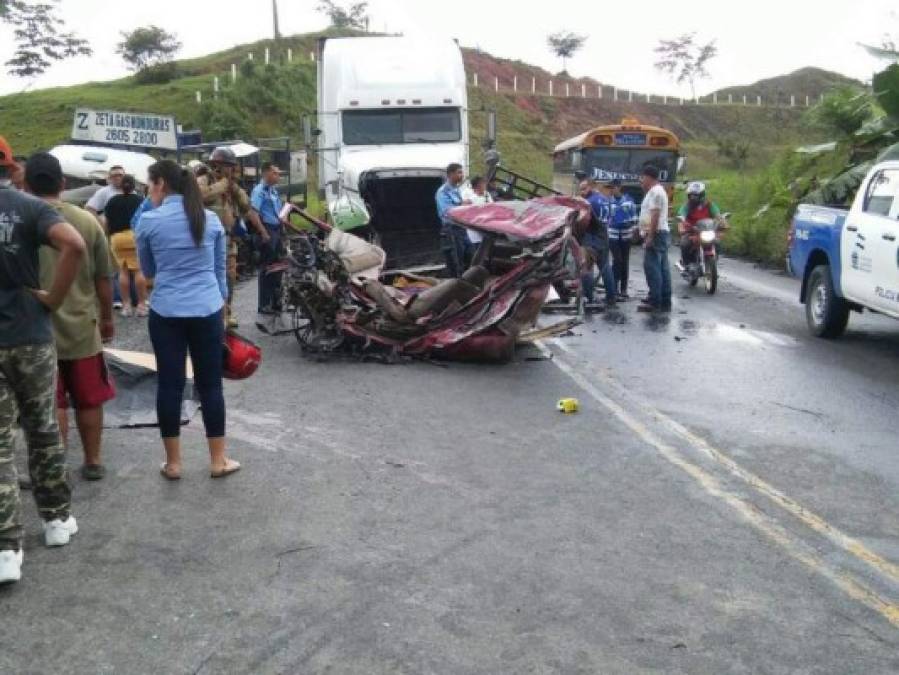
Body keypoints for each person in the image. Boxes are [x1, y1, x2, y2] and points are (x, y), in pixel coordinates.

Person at [0, 136, 86, 584]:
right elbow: (74, 245)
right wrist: (52, 298)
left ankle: (5, 549)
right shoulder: (28, 207)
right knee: (42, 428)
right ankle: (55, 522)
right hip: (30, 336)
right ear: (9, 164)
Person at [136, 159, 240, 480]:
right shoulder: (209, 221)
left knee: (170, 385)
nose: (148, 190)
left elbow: (150, 271)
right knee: (211, 385)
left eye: (149, 184)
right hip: (207, 309)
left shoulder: (148, 222)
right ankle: (218, 460)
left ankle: (174, 464)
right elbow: (219, 270)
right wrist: (222, 307)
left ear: (161, 185)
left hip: (166, 312)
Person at [29, 152, 116, 482]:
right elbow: (103, 278)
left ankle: (57, 467)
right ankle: (93, 461)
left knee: (54, 400)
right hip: (82, 325)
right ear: (63, 183)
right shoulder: (86, 221)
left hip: (36, 328)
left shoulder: (23, 219)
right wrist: (108, 318)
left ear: (27, 183)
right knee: (88, 397)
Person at [201, 147, 267, 328]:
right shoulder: (203, 181)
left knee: (229, 277)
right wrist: (219, 186)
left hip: (229, 240)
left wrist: (262, 231)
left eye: (230, 166)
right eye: (225, 165)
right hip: (206, 241)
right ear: (215, 165)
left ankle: (226, 312)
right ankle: (209, 313)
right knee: (209, 277)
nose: (229, 169)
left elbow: (248, 208)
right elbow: (198, 197)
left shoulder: (232, 186)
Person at [105, 174, 148, 317]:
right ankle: (142, 305)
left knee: (122, 271)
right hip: (134, 237)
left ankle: (126, 306)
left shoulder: (112, 201)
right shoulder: (140, 200)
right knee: (138, 271)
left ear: (121, 186)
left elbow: (107, 222)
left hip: (117, 238)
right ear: (134, 185)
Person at [86, 166, 125, 308]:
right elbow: (90, 208)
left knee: (129, 267)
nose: (117, 178)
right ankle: (116, 298)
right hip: (110, 234)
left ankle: (130, 296)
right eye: (114, 175)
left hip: (128, 234)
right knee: (114, 267)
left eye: (120, 175)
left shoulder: (130, 191)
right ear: (109, 178)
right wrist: (100, 226)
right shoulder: (104, 192)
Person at [250, 162, 284, 317]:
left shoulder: (273, 191)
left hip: (277, 229)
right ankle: (264, 304)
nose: (278, 176)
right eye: (275, 173)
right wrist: (263, 232)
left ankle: (276, 302)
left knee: (279, 266)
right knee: (266, 268)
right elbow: (253, 213)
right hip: (267, 230)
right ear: (267, 174)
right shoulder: (259, 191)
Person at [638, 165, 672, 313]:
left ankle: (655, 301)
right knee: (663, 268)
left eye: (642, 177)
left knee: (652, 268)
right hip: (660, 232)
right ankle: (663, 299)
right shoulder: (656, 191)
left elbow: (655, 215)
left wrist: (650, 236)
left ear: (648, 177)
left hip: (656, 233)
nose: (641, 181)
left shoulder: (656, 192)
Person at [578, 179, 617, 307]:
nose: (581, 192)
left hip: (591, 238)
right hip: (604, 237)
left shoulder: (589, 203)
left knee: (586, 268)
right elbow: (611, 218)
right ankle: (611, 297)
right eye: (580, 189)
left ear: (591, 187)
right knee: (605, 268)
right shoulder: (607, 200)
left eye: (583, 188)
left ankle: (589, 297)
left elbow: (584, 222)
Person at [435, 163, 470, 278]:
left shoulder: (456, 190)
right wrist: (462, 204)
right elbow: (447, 212)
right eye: (459, 172)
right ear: (451, 174)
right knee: (457, 261)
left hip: (462, 228)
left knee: (468, 256)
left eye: (462, 172)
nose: (462, 175)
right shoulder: (443, 192)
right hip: (452, 230)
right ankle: (458, 284)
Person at [678, 181, 721, 265]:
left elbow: (717, 215)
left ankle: (715, 260)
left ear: (702, 195)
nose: (692, 198)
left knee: (717, 242)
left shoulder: (709, 204)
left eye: (695, 195)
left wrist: (721, 220)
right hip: (692, 231)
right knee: (684, 244)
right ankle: (687, 264)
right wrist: (682, 222)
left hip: (707, 230)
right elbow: (681, 215)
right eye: (691, 195)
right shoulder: (687, 206)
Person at [608, 179, 637, 299]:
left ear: (619, 187)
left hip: (626, 235)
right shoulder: (609, 202)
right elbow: (606, 218)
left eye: (613, 187)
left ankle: (623, 289)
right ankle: (614, 286)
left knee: (625, 261)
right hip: (613, 235)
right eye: (610, 188)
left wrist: (633, 228)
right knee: (617, 260)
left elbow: (635, 218)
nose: (611, 190)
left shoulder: (629, 202)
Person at [460, 175, 492, 263]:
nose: (485, 185)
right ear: (478, 186)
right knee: (476, 253)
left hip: (486, 229)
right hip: (474, 231)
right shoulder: (470, 199)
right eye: (483, 183)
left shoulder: (487, 195)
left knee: (486, 253)